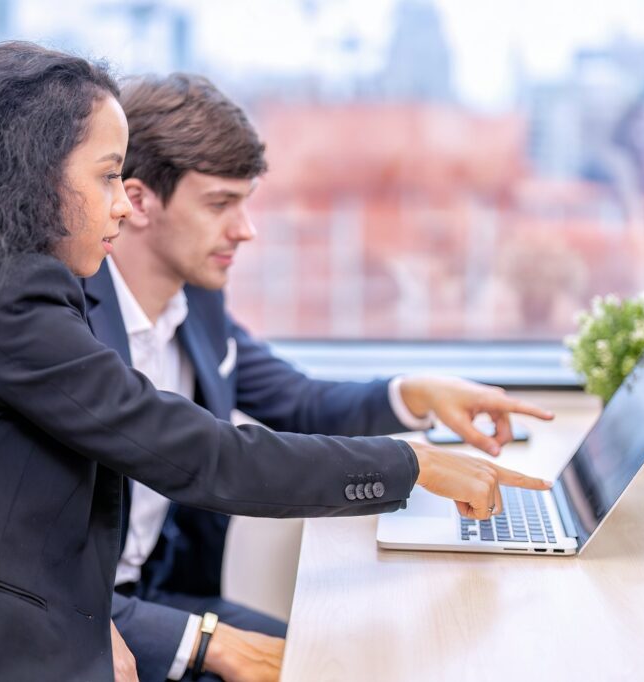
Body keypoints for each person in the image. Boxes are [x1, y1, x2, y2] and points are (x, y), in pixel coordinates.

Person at [0, 42, 551, 682]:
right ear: (29, 180)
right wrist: (410, 467)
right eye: (107, 177)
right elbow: (198, 454)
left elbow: (278, 405)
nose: (119, 203)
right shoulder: (10, 303)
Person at [87, 73, 556, 681]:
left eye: (247, 202)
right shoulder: (69, 327)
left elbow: (298, 401)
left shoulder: (196, 305)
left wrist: (418, 394)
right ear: (139, 199)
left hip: (161, 595)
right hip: (90, 618)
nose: (245, 229)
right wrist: (198, 643)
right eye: (220, 204)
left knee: (365, 660)